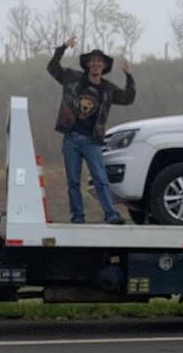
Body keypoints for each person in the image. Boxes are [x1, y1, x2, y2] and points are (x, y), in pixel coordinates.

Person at [47, 35, 135, 224]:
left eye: (99, 62)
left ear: (104, 67)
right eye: (93, 61)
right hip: (71, 138)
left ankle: (111, 214)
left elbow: (128, 98)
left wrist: (129, 76)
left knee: (101, 179)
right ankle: (77, 217)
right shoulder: (72, 78)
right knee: (73, 182)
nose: (96, 64)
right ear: (87, 64)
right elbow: (52, 67)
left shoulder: (108, 89)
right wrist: (62, 47)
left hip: (92, 141)